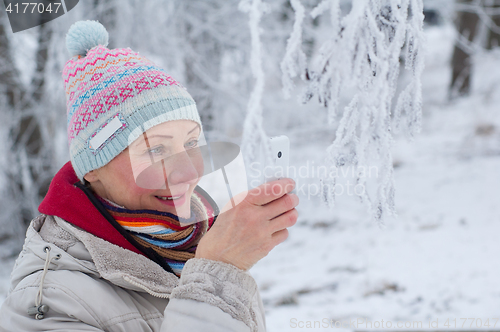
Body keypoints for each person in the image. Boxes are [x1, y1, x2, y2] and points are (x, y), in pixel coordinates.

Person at [0, 20, 299, 332]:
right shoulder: (49, 304)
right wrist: (215, 275)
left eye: (191, 143)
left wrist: (218, 267)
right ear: (92, 167)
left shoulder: (191, 243)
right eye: (157, 150)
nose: (189, 171)